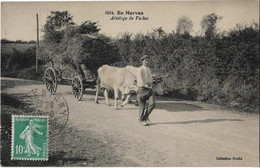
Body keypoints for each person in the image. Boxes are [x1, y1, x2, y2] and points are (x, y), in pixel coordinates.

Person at [136, 55, 155, 126]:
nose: (147, 62)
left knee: (152, 104)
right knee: (142, 106)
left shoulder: (149, 69)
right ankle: (141, 120)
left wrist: (152, 83)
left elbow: (150, 79)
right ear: (142, 61)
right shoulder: (140, 69)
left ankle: (145, 117)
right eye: (145, 61)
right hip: (142, 89)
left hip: (149, 89)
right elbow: (140, 80)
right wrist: (147, 85)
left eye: (148, 61)